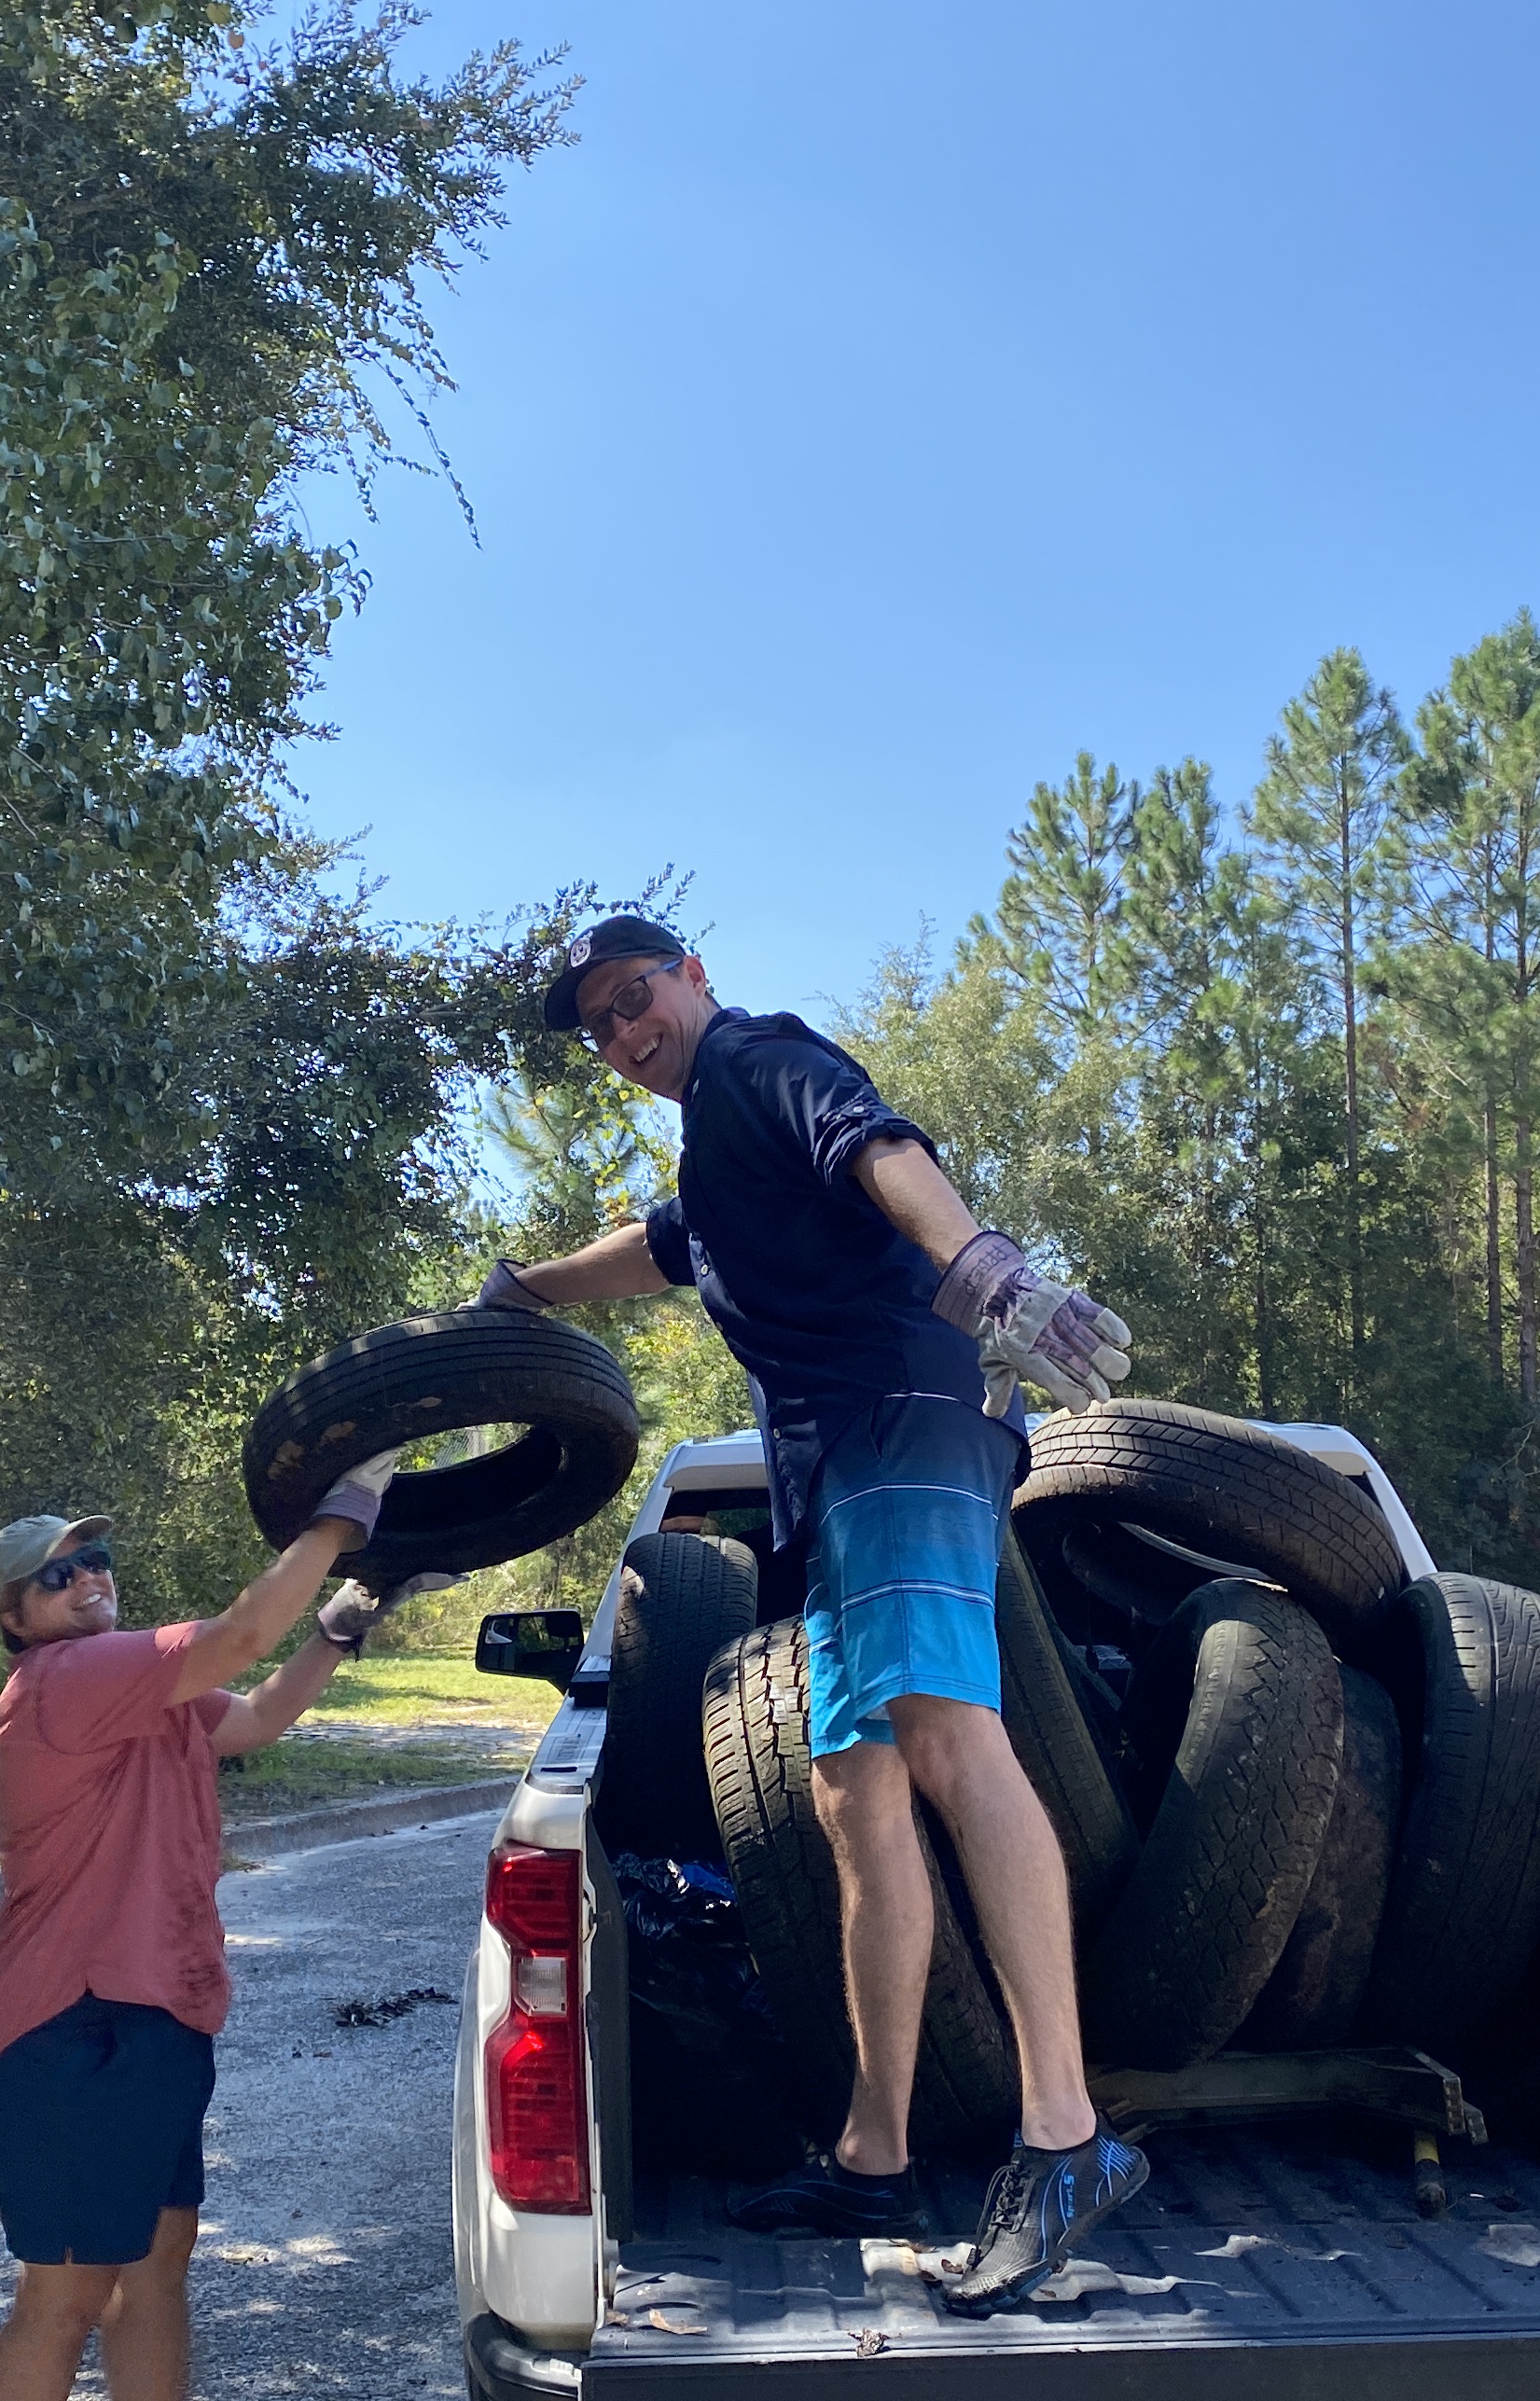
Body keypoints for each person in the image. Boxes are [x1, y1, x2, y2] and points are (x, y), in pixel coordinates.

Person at [477, 911, 1144, 2315]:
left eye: (633, 996)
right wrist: (526, 1290)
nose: (622, 1032)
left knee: (951, 1742)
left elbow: (880, 1147)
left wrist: (984, 1269)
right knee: (852, 1789)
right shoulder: (712, 1161)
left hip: (901, 1425)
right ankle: (873, 2152)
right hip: (834, 1474)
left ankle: (1066, 2135)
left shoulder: (760, 1064)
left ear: (694, 976)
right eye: (598, 1024)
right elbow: (659, 1248)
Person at [0, 1476, 444, 2401]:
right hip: (67, 2034)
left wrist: (344, 1620)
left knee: (158, 2261)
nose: (88, 1581)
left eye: (97, 1561)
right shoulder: (64, 1682)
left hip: (155, 2015)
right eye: (56, 1575)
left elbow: (259, 1710)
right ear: (15, 1618)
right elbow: (237, 1634)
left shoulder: (144, 1694)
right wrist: (338, 1520)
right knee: (61, 2298)